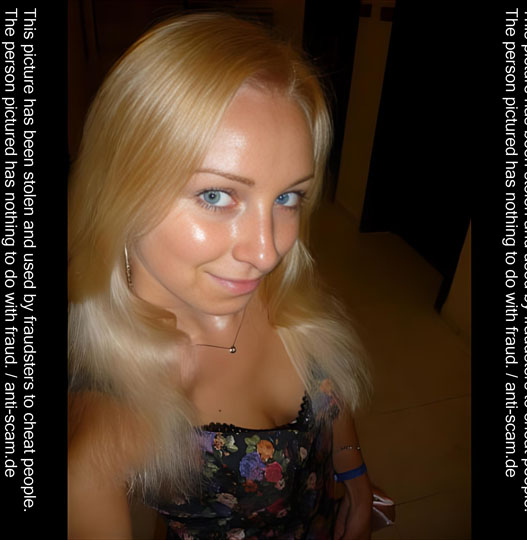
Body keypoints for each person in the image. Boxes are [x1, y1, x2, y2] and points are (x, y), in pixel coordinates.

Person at [68, 12, 373, 540]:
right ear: (118, 193)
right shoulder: (104, 435)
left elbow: (328, 394)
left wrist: (355, 478)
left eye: (288, 196)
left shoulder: (264, 284)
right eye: (216, 195)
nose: (268, 251)